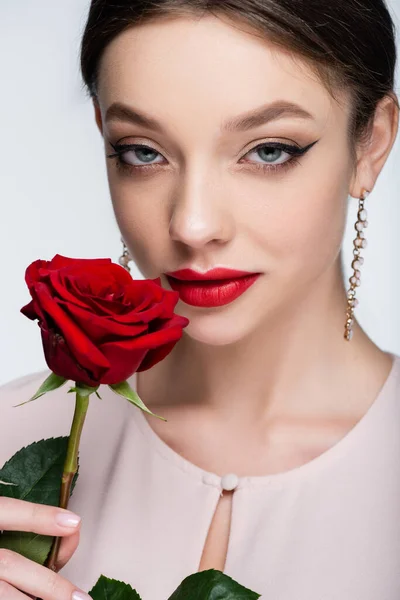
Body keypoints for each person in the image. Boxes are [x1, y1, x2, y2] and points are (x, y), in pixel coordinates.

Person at [1, 1, 400, 598]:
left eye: (268, 150)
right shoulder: (10, 432)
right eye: (142, 151)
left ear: (370, 143)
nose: (192, 223)